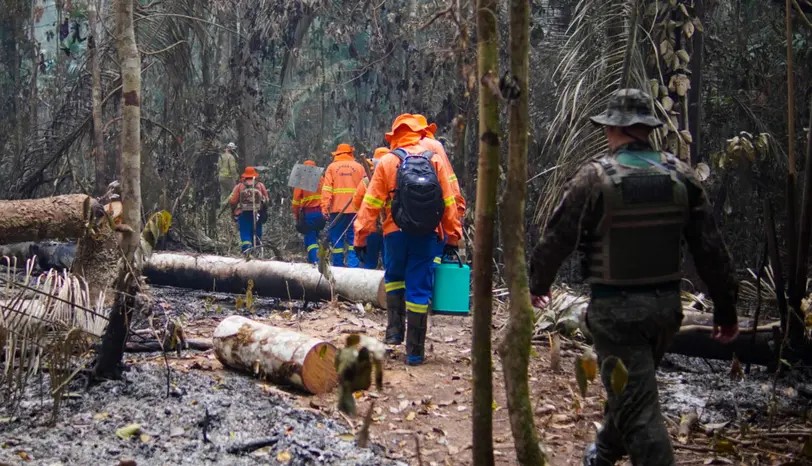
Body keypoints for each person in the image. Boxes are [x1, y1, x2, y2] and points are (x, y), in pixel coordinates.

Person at [527, 88, 739, 466]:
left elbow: (558, 236)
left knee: (639, 410)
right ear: (648, 129)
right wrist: (726, 309)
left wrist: (537, 285)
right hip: (665, 312)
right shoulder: (681, 175)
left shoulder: (596, 177)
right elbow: (711, 248)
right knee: (632, 390)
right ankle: (605, 452)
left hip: (616, 313)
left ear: (612, 129)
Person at [354, 115, 461, 365]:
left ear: (395, 137)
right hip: (427, 234)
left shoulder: (388, 162)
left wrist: (361, 236)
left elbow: (371, 203)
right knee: (419, 287)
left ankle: (393, 332)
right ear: (419, 135)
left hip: (394, 233)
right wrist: (453, 237)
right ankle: (414, 352)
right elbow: (448, 202)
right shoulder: (434, 159)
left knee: (393, 278)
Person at [321, 143, 365, 268]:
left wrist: (325, 207)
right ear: (351, 153)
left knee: (337, 239)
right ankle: (353, 267)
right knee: (353, 239)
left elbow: (327, 189)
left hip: (336, 210)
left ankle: (338, 267)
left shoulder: (332, 167)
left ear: (337, 154)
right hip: (356, 210)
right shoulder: (359, 167)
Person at [352, 147, 388, 269]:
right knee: (389, 264)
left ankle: (366, 286)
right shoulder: (396, 179)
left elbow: (356, 203)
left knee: (369, 262)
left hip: (370, 228)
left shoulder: (366, 182)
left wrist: (365, 216)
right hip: (390, 229)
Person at [229, 166, 269, 254]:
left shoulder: (240, 186)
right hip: (257, 213)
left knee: (245, 232)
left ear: (245, 176)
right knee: (257, 231)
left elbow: (233, 201)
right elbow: (267, 199)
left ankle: (247, 251)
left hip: (244, 213)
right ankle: (258, 250)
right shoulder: (260, 185)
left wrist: (234, 211)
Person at [292, 160, 325, 264]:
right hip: (321, 213)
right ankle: (315, 259)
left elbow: (296, 201)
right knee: (314, 235)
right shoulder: (321, 179)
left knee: (311, 239)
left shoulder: (302, 180)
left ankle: (315, 262)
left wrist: (296, 216)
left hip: (309, 213)